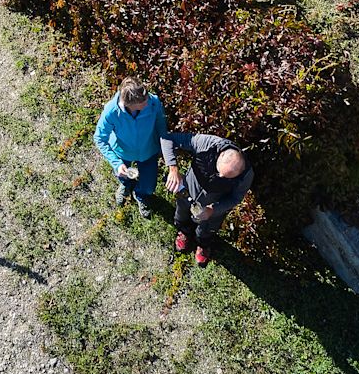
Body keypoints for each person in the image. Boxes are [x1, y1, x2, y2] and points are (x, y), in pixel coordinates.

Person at [161, 132, 253, 266]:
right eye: (219, 171)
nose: (220, 176)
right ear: (220, 155)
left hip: (213, 205)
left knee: (208, 227)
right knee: (181, 212)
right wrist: (173, 169)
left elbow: (235, 198)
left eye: (226, 176)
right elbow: (168, 138)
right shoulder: (206, 143)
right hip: (187, 191)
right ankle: (184, 231)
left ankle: (203, 244)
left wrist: (213, 209)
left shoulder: (246, 175)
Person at [93, 77, 173, 218]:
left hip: (149, 151)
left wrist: (163, 147)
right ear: (130, 104)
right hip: (122, 152)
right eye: (144, 102)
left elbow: (161, 124)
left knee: (149, 186)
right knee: (123, 174)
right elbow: (100, 138)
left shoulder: (153, 102)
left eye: (147, 97)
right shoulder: (111, 112)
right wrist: (116, 163)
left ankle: (140, 195)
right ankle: (126, 184)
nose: (148, 102)